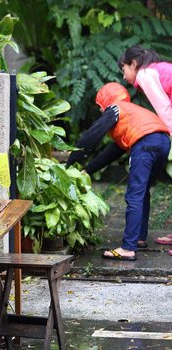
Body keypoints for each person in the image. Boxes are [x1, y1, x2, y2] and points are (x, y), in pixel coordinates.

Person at [67, 82, 170, 261]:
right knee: (142, 192)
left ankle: (128, 248)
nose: (101, 112)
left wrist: (71, 160)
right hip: (163, 142)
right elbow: (110, 153)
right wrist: (88, 170)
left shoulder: (115, 109)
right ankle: (138, 237)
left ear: (106, 101)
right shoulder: (132, 115)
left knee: (134, 195)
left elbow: (93, 134)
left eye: (100, 107)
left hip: (145, 143)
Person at [118, 45, 172, 252]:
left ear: (134, 64)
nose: (124, 77)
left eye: (124, 70)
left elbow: (164, 109)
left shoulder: (146, 74)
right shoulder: (157, 70)